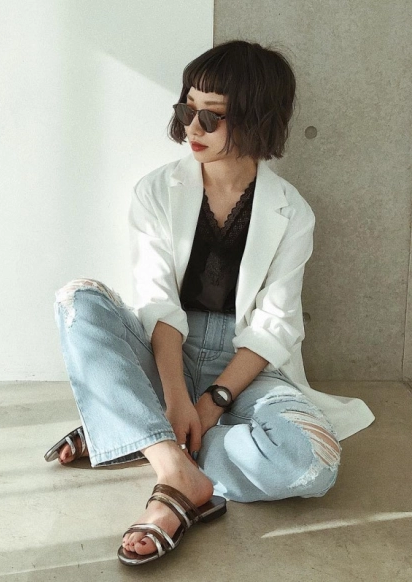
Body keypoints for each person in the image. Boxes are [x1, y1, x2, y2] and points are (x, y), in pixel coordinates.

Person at [44, 40, 375, 566]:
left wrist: (210, 403)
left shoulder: (293, 212)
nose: (192, 129)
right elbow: (158, 303)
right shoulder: (156, 191)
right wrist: (177, 396)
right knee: (77, 301)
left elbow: (274, 326)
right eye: (187, 110)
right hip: (166, 352)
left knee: (312, 461)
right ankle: (176, 475)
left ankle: (136, 435)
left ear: (256, 119)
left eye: (211, 116)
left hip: (248, 366)